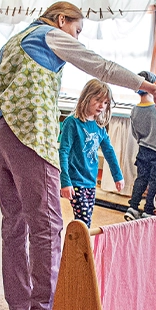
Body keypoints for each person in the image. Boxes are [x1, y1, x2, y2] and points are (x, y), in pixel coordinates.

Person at [0, 1, 156, 310]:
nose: (76, 37)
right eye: (77, 30)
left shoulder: (13, 41)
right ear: (62, 19)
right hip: (29, 134)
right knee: (47, 223)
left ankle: (20, 303)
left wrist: (9, 102)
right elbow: (101, 67)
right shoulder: (50, 34)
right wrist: (148, 86)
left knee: (14, 221)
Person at [58, 79, 124, 227]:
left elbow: (109, 151)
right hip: (76, 181)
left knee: (83, 220)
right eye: (98, 100)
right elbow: (63, 152)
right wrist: (65, 181)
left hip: (91, 181)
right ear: (87, 97)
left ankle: (76, 246)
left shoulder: (99, 126)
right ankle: (82, 249)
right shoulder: (72, 122)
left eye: (106, 102)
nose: (102, 105)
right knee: (84, 220)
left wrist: (117, 176)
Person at [124, 71, 156, 220]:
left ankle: (133, 207)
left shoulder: (135, 110)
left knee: (141, 179)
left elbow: (135, 133)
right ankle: (149, 210)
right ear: (154, 86)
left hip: (142, 149)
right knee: (154, 181)